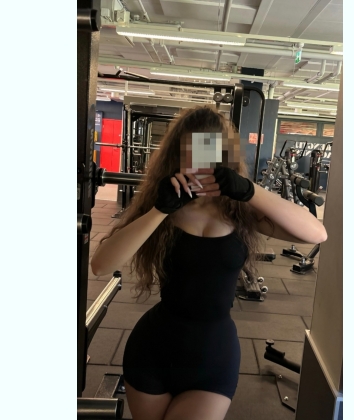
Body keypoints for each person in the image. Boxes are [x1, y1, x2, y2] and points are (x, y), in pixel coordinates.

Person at [91, 106, 327, 420]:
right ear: (177, 154)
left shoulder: (239, 211)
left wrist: (250, 190)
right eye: (190, 150)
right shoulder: (161, 204)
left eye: (208, 150)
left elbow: (316, 233)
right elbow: (101, 265)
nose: (199, 162)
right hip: (153, 348)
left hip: (212, 355)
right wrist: (160, 210)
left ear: (223, 155)